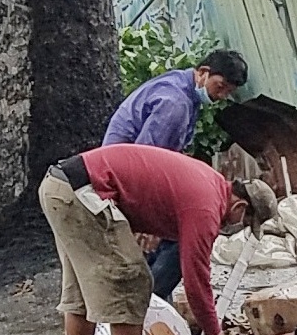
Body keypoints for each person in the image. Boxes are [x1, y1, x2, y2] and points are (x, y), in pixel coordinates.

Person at [38, 143, 277, 335]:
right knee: (134, 281)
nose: (234, 227)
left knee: (81, 289)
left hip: (60, 187)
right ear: (240, 207)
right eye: (243, 222)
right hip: (84, 193)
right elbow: (196, 280)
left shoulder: (208, 182)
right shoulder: (207, 207)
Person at [102, 49, 248, 301]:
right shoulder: (175, 104)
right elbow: (144, 163)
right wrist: (149, 221)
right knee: (181, 238)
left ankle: (152, 303)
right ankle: (146, 303)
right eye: (220, 87)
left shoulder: (180, 87)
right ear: (203, 73)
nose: (220, 96)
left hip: (119, 174)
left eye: (227, 93)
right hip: (122, 183)